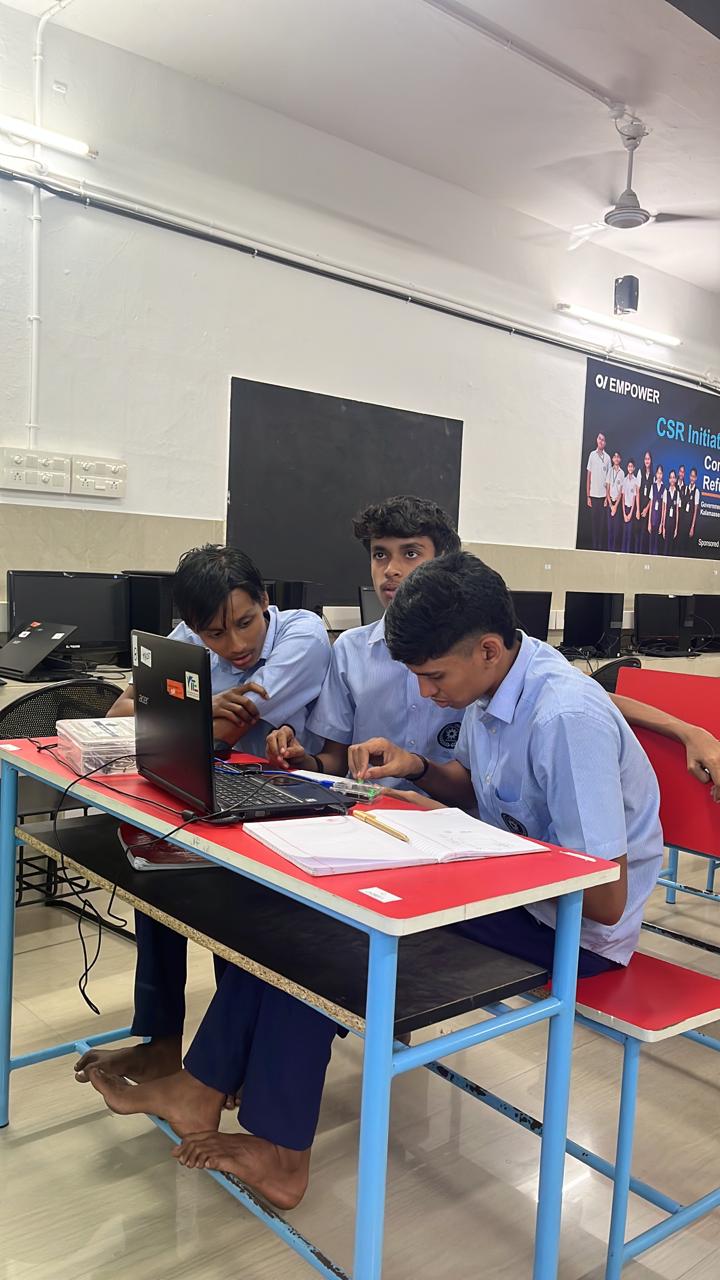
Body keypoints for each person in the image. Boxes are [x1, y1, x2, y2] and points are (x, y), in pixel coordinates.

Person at [80, 522, 720, 1209]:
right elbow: (474, 787)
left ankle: (278, 1149)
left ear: (488, 648)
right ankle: (205, 1089)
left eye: (433, 677)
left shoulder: (564, 717)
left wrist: (466, 859)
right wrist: (417, 769)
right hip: (513, 892)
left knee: (328, 937)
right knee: (299, 911)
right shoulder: (495, 682)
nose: (425, 694)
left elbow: (605, 899)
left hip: (569, 931)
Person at [75, 544, 331, 1088]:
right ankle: (161, 1042)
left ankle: (227, 1066)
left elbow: (226, 731)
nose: (235, 645)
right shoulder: (188, 637)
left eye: (245, 622)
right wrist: (202, 707)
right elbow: (118, 713)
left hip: (287, 805)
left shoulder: (302, 635)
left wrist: (183, 709)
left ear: (264, 600)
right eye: (215, 633)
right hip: (214, 793)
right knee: (152, 874)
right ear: (194, 627)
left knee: (226, 909)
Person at [586, 431, 611, 551]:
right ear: (597, 440)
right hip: (593, 495)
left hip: (603, 496)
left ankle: (599, 547)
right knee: (593, 523)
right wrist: (588, 496)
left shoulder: (608, 458)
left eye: (603, 440)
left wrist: (607, 497)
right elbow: (588, 476)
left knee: (601, 524)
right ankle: (594, 546)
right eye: (599, 438)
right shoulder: (592, 455)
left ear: (605, 443)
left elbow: (609, 480)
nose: (601, 441)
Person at [679, 467, 700, 556]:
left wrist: (692, 527)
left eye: (694, 476)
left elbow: (695, 511)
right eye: (691, 476)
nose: (692, 478)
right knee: (680, 544)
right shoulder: (686, 488)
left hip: (689, 523)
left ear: (696, 478)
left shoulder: (696, 492)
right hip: (682, 522)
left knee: (687, 547)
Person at [606, 450, 625, 553]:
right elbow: (607, 489)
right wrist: (611, 505)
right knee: (609, 530)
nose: (616, 458)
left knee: (616, 530)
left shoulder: (622, 473)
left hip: (617, 505)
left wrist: (615, 506)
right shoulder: (610, 471)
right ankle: (609, 552)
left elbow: (621, 492)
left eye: (618, 457)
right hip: (610, 504)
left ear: (620, 459)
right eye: (615, 457)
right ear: (612, 459)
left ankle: (614, 552)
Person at [620, 458, 640, 555]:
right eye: (629, 466)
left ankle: (627, 554)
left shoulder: (636, 481)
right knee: (624, 534)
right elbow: (623, 497)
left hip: (631, 510)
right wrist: (624, 513)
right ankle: (623, 554)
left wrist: (630, 514)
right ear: (627, 467)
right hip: (625, 509)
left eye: (632, 466)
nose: (630, 468)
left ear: (634, 468)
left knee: (629, 535)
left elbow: (634, 498)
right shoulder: (624, 480)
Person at [637, 451, 654, 554]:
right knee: (638, 534)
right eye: (645, 459)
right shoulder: (640, 472)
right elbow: (637, 492)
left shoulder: (653, 475)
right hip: (639, 507)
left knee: (645, 535)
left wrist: (647, 509)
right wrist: (638, 510)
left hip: (648, 508)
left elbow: (653, 496)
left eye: (648, 459)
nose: (647, 461)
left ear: (651, 460)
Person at [648, 464, 666, 557]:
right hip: (652, 519)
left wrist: (661, 524)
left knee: (656, 544)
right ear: (656, 474)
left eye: (661, 473)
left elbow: (663, 508)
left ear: (663, 475)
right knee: (651, 542)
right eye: (658, 473)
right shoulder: (653, 486)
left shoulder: (664, 489)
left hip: (659, 521)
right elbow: (651, 505)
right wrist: (649, 523)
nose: (659, 475)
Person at [663, 470, 680, 556]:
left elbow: (677, 511)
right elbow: (664, 510)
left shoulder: (677, 493)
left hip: (673, 524)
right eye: (671, 477)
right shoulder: (666, 492)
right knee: (665, 547)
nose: (672, 479)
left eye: (674, 477)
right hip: (667, 523)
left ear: (676, 479)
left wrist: (676, 528)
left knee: (671, 548)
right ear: (669, 479)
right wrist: (663, 527)